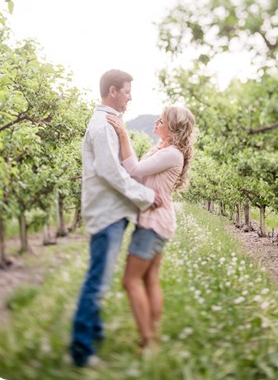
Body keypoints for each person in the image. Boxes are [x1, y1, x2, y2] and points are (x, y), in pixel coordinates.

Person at [69, 69, 161, 368]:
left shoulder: (111, 122)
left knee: (100, 277)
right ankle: (81, 350)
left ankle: (93, 334)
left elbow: (124, 164)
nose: (130, 96)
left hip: (112, 212)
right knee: (97, 281)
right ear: (112, 91)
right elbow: (112, 173)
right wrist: (146, 197)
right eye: (127, 91)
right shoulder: (103, 125)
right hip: (107, 213)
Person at [106, 105, 196, 352]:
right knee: (149, 279)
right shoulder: (163, 148)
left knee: (130, 280)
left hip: (154, 222)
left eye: (162, 120)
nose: (157, 121)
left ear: (173, 128)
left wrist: (123, 134)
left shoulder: (172, 154)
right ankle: (151, 334)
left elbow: (133, 169)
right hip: (158, 219)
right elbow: (137, 171)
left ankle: (147, 341)